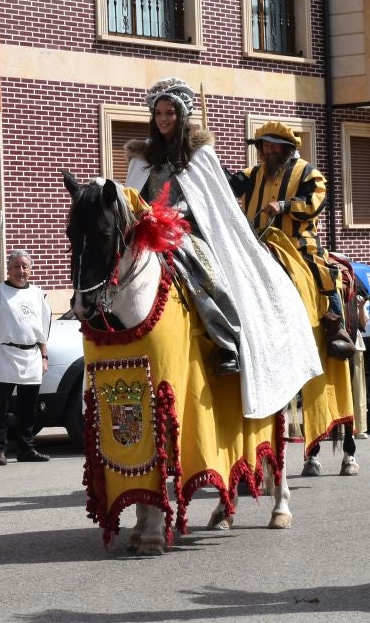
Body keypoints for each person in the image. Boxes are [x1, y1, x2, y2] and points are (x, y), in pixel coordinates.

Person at [124, 78, 320, 419]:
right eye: (158, 113)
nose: (163, 119)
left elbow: (212, 201)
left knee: (206, 275)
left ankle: (228, 341)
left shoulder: (200, 154)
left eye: (170, 112)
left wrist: (180, 212)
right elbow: (134, 195)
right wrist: (141, 213)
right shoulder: (143, 157)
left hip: (189, 230)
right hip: (149, 229)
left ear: (182, 115)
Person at [230, 121, 354, 358]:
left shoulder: (308, 172)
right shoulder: (253, 174)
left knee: (320, 272)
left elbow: (314, 203)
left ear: (286, 148)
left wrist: (285, 205)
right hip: (256, 242)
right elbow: (229, 184)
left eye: (274, 147)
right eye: (264, 146)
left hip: (297, 242)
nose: (268, 151)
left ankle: (336, 329)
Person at [0, 249, 52, 466]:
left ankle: (26, 448)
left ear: (30, 269)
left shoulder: (38, 294)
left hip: (32, 355)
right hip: (6, 354)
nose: (21, 271)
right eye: (16, 266)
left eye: (24, 266)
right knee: (2, 407)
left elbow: (41, 331)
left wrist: (44, 355)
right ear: (8, 270)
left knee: (29, 407)